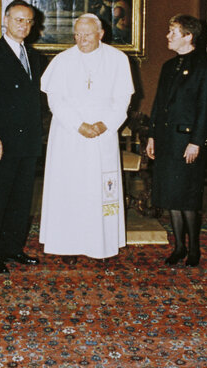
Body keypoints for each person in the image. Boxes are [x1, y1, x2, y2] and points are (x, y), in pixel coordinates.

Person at [39, 13, 134, 263]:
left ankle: (101, 244)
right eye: (77, 34)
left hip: (103, 136)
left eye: (87, 34)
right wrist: (78, 125)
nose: (82, 40)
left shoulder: (117, 59)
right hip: (68, 136)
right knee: (69, 190)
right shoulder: (62, 60)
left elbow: (123, 100)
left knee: (99, 191)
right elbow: (54, 100)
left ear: (100, 34)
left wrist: (105, 124)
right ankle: (68, 245)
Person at [0, 0, 44, 274]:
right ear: (5, 20)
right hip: (1, 139)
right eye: (18, 20)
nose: (24, 26)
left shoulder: (35, 57)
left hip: (27, 140)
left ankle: (13, 247)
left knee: (21, 198)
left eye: (28, 21)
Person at [147, 15, 207, 267]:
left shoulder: (206, 68)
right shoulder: (169, 66)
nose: (168, 36)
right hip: (166, 141)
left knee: (187, 197)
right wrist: (152, 135)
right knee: (170, 196)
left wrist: (197, 142)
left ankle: (194, 249)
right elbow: (158, 105)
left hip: (187, 142)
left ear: (188, 36)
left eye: (173, 32)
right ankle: (179, 247)